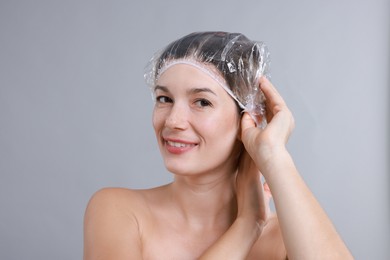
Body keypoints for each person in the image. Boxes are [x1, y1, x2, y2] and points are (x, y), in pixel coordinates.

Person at [83, 31, 353, 259]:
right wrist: (247, 225)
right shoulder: (118, 211)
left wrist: (274, 156)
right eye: (164, 98)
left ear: (248, 117)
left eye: (202, 102)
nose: (173, 121)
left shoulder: (285, 238)